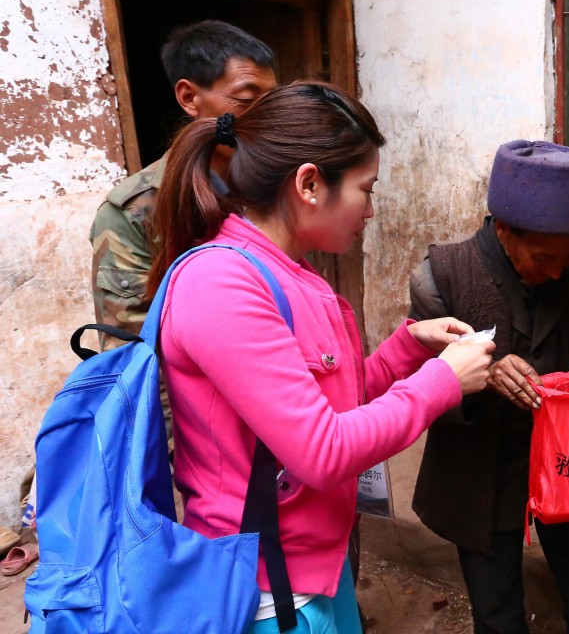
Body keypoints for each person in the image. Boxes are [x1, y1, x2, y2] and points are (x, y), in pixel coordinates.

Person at [148, 81, 495, 632]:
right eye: (366, 188)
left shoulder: (291, 272)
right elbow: (322, 450)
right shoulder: (222, 282)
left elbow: (341, 405)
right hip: (263, 588)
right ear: (310, 184)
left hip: (312, 570)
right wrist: (441, 384)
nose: (372, 210)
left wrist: (410, 347)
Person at [409, 140, 569, 634]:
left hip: (567, 460)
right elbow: (418, 385)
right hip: (481, 464)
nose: (556, 273)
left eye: (568, 260)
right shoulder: (441, 276)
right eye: (543, 258)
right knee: (496, 608)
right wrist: (474, 373)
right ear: (504, 230)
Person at [90, 20, 278, 353]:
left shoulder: (279, 185)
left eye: (272, 102)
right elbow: (132, 351)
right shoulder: (134, 211)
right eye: (248, 100)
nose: (265, 118)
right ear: (189, 97)